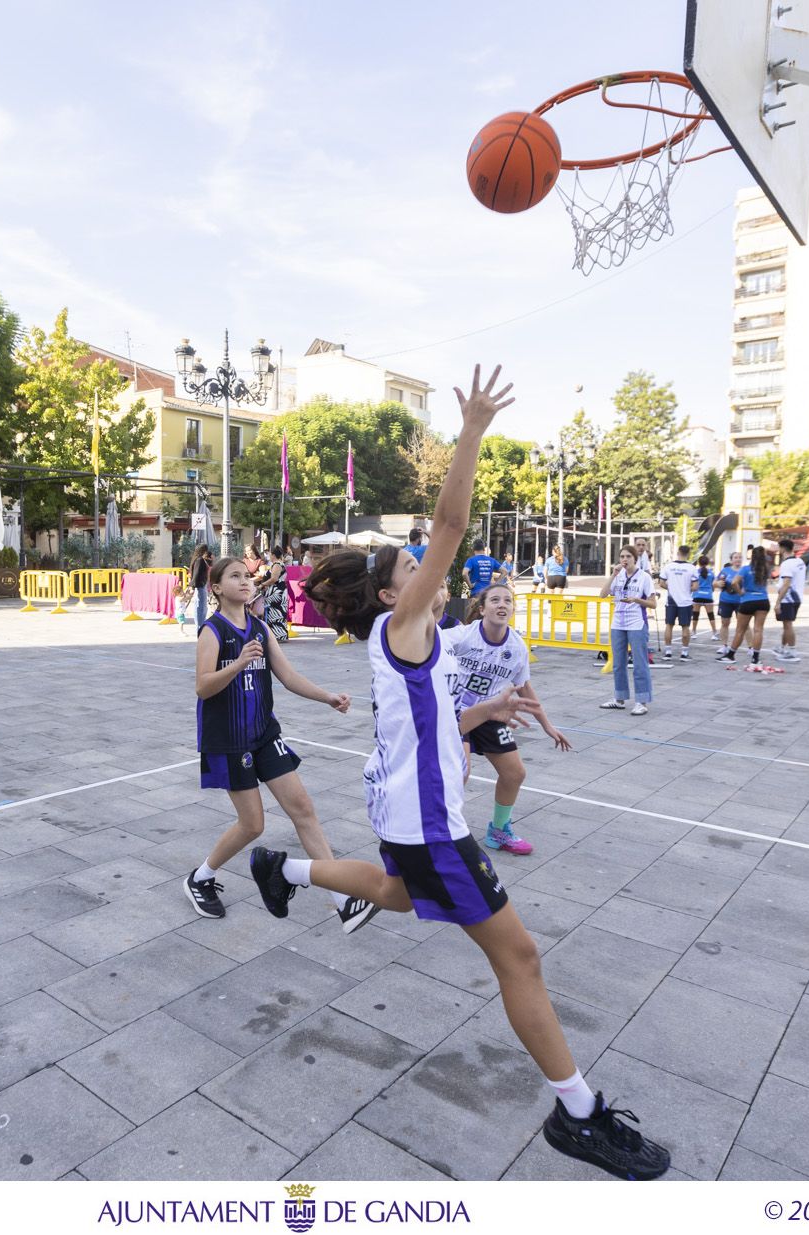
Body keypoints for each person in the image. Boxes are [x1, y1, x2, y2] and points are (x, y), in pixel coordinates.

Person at [266, 365, 671, 1180]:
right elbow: (451, 521)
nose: (437, 571)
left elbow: (434, 725)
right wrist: (474, 428)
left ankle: (287, 866)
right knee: (518, 956)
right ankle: (579, 1113)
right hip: (427, 823)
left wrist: (485, 715)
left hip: (405, 814)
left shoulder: (407, 641)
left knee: (398, 893)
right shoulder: (407, 622)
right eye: (416, 569)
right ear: (393, 592)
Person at [182, 556, 378, 934]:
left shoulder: (259, 628)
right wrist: (238, 663)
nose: (244, 581)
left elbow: (288, 677)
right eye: (234, 576)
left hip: (264, 734)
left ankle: (343, 899)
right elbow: (203, 686)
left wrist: (328, 697)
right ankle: (200, 877)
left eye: (246, 575)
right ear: (218, 588)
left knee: (303, 809)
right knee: (252, 824)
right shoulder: (213, 631)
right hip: (229, 740)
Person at [449, 581, 571, 855]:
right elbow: (430, 652)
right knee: (460, 773)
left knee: (515, 773)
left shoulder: (516, 647)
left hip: (493, 714)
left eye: (507, 600)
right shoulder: (461, 637)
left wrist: (547, 725)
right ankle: (447, 833)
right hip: (458, 713)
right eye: (495, 600)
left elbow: (525, 688)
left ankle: (499, 831)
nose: (502, 604)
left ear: (513, 609)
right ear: (481, 609)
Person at [599, 547, 655, 715]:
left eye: (628, 556)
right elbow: (602, 595)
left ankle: (641, 701)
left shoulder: (644, 577)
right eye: (622, 556)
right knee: (618, 663)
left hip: (636, 623)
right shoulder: (618, 576)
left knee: (639, 663)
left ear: (635, 559)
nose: (625, 559)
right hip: (618, 623)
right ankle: (619, 698)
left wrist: (637, 600)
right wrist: (613, 575)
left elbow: (653, 603)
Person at [718, 545, 774, 665]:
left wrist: (740, 592)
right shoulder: (766, 569)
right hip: (763, 600)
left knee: (740, 630)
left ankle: (731, 655)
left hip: (748, 600)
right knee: (758, 630)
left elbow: (733, 582)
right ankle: (755, 658)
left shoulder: (745, 569)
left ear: (752, 556)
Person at [660, 544, 698, 662]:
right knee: (685, 626)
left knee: (669, 625)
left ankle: (668, 652)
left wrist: (672, 588)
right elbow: (695, 586)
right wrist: (685, 589)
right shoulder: (692, 568)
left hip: (671, 600)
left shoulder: (668, 566)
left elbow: (661, 583)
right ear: (688, 554)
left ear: (678, 552)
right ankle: (684, 653)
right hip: (685, 601)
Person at [773, 537, 806, 663]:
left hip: (788, 598)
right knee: (787, 625)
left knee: (788, 625)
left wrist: (777, 602)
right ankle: (782, 648)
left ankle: (792, 651)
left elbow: (786, 584)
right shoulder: (800, 561)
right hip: (797, 597)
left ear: (782, 549)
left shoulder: (786, 564)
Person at [260, 549, 290, 643]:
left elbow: (274, 578)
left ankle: (278, 635)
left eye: (270, 554)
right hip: (275, 591)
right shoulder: (276, 564)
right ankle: (276, 635)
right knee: (273, 612)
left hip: (277, 591)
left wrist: (262, 584)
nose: (269, 556)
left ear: (273, 555)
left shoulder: (277, 564)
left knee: (276, 612)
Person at [715, 550, 744, 645]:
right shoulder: (725, 571)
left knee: (744, 625)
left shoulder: (745, 570)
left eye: (740, 557)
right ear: (731, 560)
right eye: (735, 557)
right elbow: (714, 583)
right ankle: (724, 645)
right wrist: (718, 583)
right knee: (724, 623)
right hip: (725, 601)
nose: (738, 559)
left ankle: (751, 648)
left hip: (741, 601)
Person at [691, 555, 716, 643]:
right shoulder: (711, 573)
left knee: (695, 615)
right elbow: (713, 585)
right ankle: (714, 634)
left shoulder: (696, 572)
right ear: (707, 563)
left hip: (697, 596)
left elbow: (692, 584)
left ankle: (693, 633)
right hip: (708, 596)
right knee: (711, 616)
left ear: (699, 563)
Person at [188, 544, 215, 630]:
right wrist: (192, 587)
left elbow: (210, 563)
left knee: (200, 606)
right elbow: (196, 574)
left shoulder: (198, 559)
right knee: (201, 606)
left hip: (201, 585)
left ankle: (200, 624)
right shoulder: (199, 560)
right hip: (200, 586)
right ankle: (200, 625)